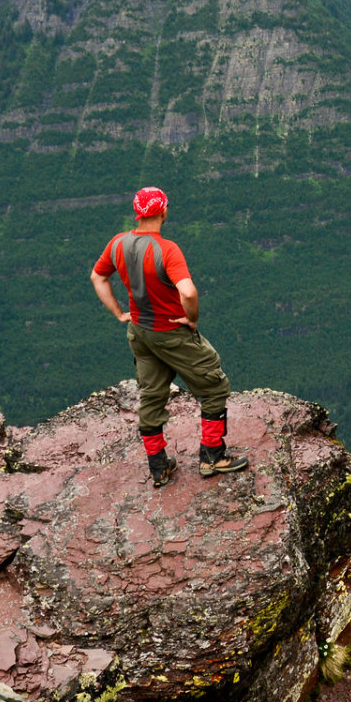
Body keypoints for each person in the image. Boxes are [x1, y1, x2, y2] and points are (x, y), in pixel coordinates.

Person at [90, 186, 250, 487]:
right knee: (215, 387)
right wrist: (191, 318)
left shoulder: (117, 243)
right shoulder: (168, 249)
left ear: (137, 213)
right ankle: (212, 457)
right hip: (170, 332)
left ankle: (159, 467)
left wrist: (118, 312)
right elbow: (187, 291)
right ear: (164, 211)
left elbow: (98, 277)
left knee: (151, 396)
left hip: (139, 332)